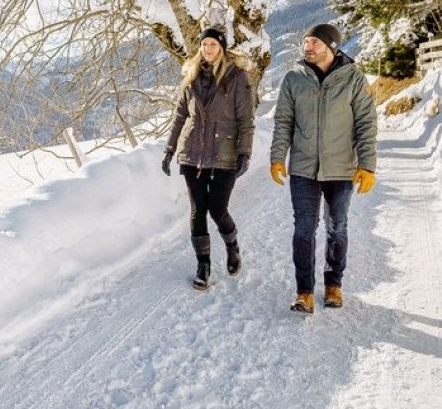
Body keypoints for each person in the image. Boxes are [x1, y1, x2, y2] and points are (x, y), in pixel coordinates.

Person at [269, 22, 378, 314]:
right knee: (303, 230)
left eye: (314, 42)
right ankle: (304, 292)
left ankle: (333, 285)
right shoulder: (294, 79)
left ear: (332, 47)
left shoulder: (353, 79)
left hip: (341, 169)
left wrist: (367, 165)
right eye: (305, 42)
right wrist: (277, 157)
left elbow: (367, 124)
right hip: (303, 168)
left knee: (337, 228)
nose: (307, 46)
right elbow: (283, 122)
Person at [161, 26, 255, 290]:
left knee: (218, 208)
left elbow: (246, 119)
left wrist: (244, 152)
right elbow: (180, 116)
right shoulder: (190, 78)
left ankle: (232, 245)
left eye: (213, 44)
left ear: (222, 47)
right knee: (197, 211)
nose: (208, 49)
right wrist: (170, 149)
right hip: (192, 155)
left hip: (224, 154)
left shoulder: (237, 77)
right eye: (204, 45)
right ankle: (203, 265)